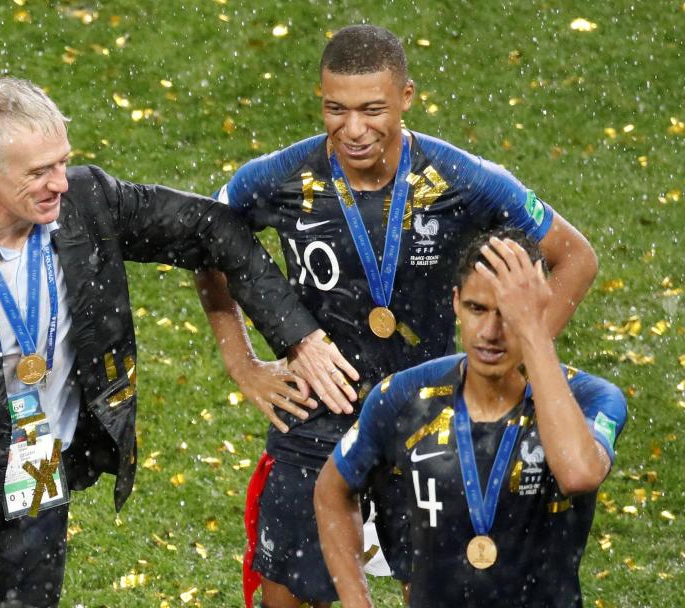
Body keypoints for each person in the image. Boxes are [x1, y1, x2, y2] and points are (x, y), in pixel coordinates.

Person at [0, 77, 347, 608]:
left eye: (62, 162)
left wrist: (296, 339)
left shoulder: (87, 203)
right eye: (39, 171)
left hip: (41, 478)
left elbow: (211, 229)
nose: (59, 183)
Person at [195, 24, 600, 608]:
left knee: (434, 591)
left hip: (428, 415)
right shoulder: (279, 178)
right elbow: (206, 239)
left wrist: (520, 354)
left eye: (371, 110)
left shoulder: (462, 179)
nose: (353, 130)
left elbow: (576, 259)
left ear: (406, 97)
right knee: (286, 596)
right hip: (317, 410)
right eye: (336, 109)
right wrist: (243, 364)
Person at [315, 229, 627, 607]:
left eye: (508, 315)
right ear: (456, 303)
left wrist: (534, 334)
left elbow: (578, 473)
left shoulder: (590, 399)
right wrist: (355, 600)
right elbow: (331, 492)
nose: (491, 333)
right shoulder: (404, 397)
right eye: (478, 309)